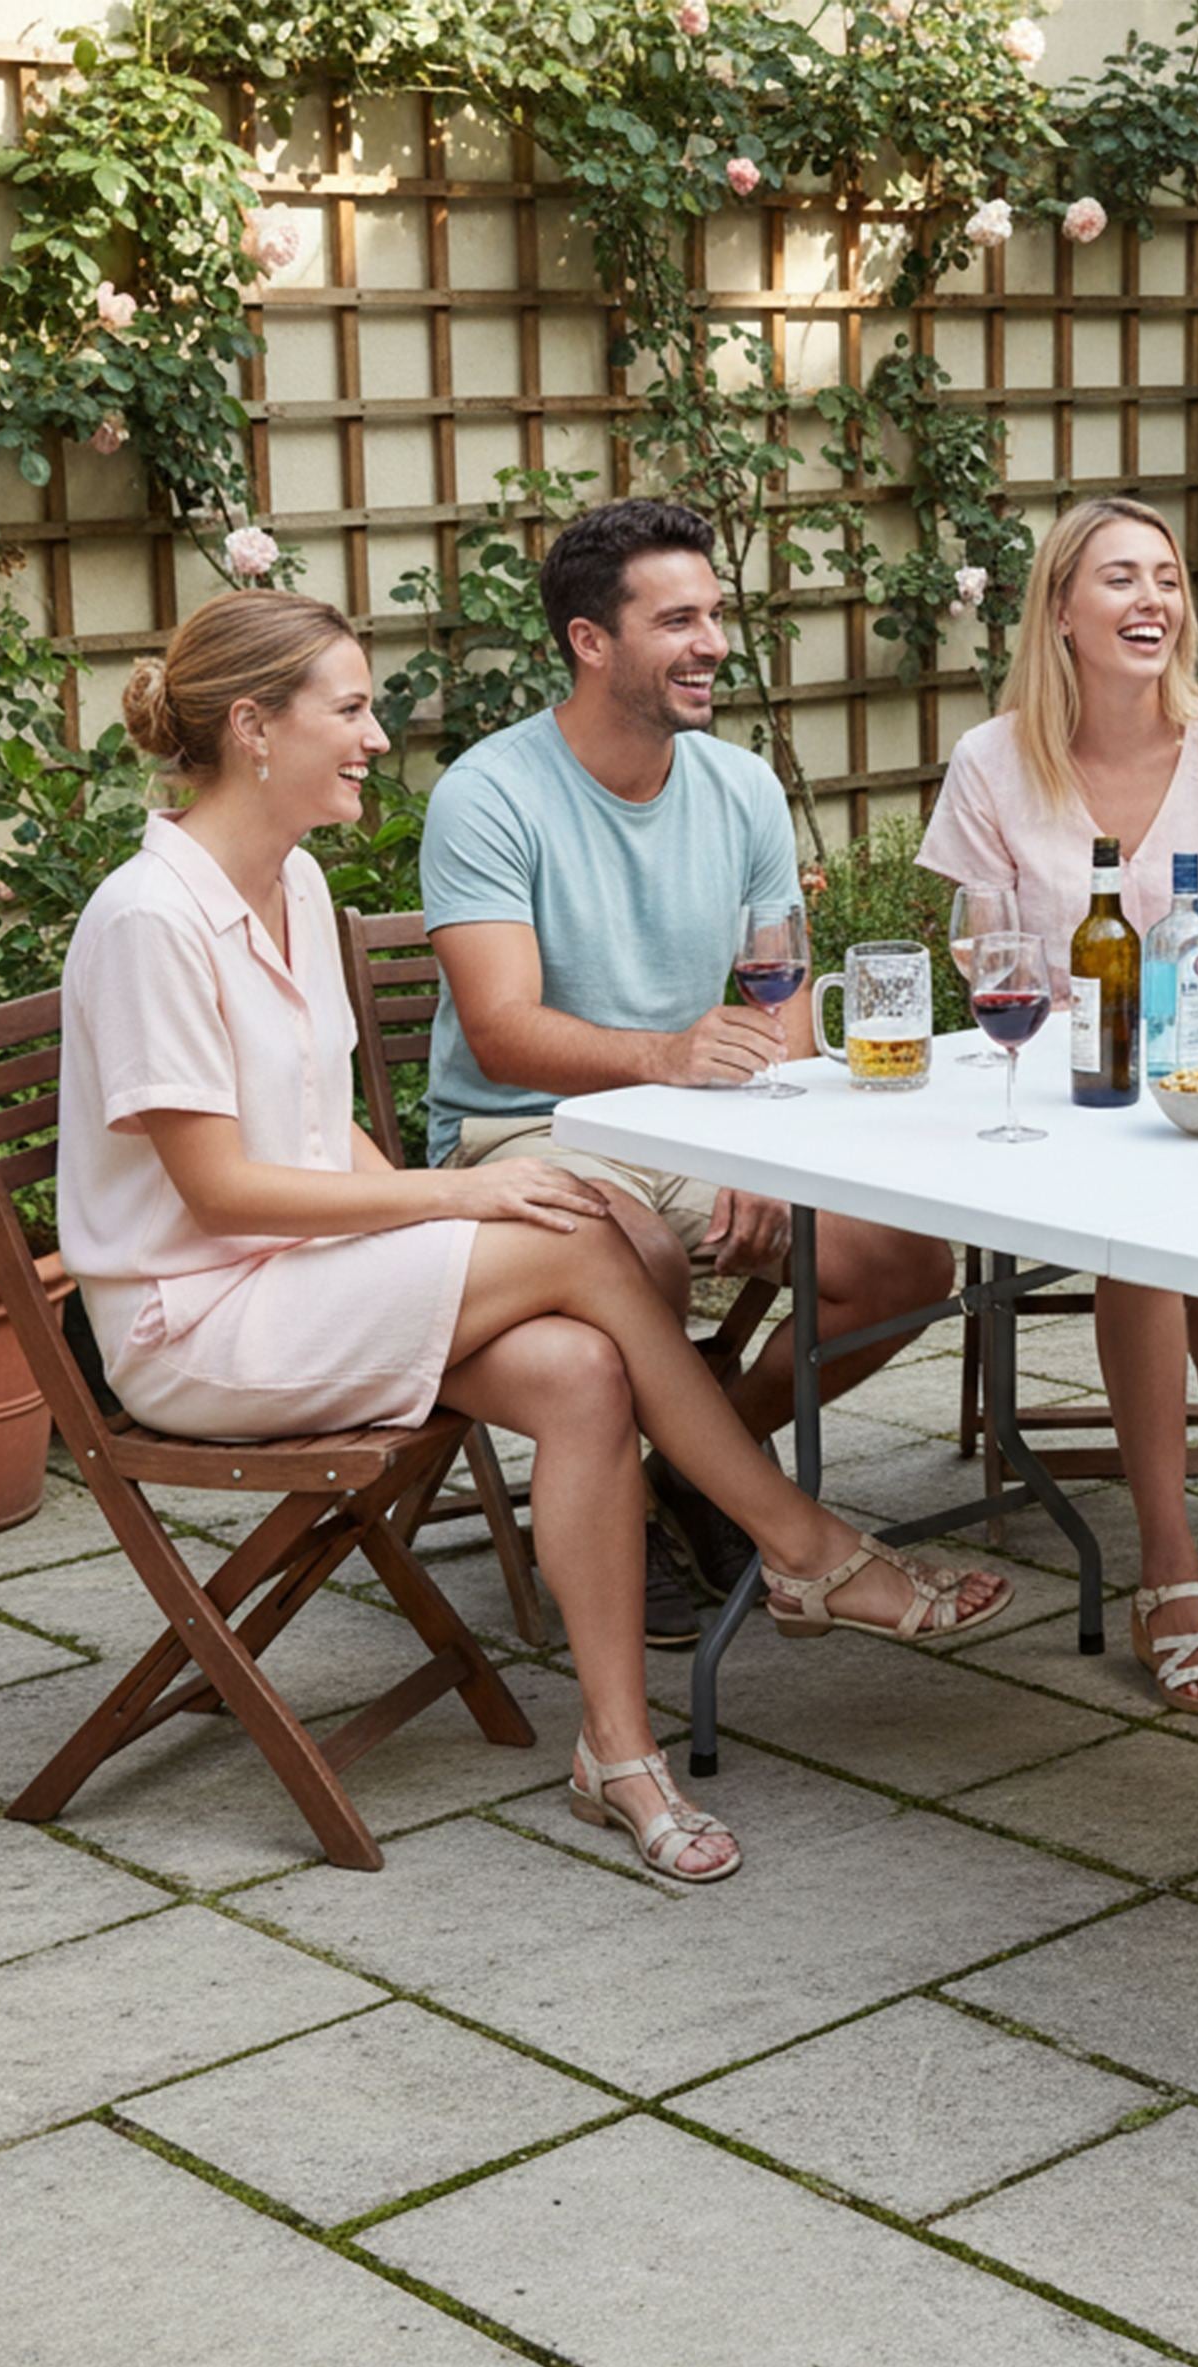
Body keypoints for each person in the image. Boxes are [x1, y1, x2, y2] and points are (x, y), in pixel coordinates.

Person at [57, 592, 1009, 1884]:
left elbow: (321, 1130)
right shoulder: (151, 918)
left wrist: (414, 1227)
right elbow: (220, 1192)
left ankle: (615, 1754)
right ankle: (804, 1546)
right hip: (200, 1326)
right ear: (250, 727)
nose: (375, 739)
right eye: (349, 709)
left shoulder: (288, 883)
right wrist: (453, 1201)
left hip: (303, 1288)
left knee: (581, 1367)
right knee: (574, 1232)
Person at [422, 498, 952, 1646]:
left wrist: (768, 1147)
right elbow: (502, 1031)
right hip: (525, 1130)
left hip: (703, 1120)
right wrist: (666, 1057)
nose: (712, 640)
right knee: (644, 1258)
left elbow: (787, 1005)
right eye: (678, 619)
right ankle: (697, 1513)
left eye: (715, 613)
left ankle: (692, 1464)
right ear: (590, 641)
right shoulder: (489, 794)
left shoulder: (741, 788)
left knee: (907, 1261)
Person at [918, 496, 1198, 1715]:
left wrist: (1187, 1059)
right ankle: (1168, 1572)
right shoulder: (992, 761)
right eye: (1121, 579)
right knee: (1147, 1228)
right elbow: (986, 960)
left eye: (1169, 579)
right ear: (1060, 612)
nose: (1153, 601)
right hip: (1056, 1103)